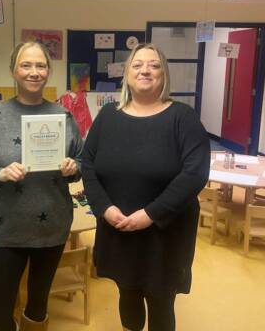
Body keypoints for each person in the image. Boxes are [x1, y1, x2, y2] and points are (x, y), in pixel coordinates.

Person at [82, 43, 210, 331]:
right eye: (137, 64)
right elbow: (87, 165)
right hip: (118, 228)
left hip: (165, 234)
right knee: (126, 291)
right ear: (127, 74)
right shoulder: (108, 116)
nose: (145, 70)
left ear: (164, 75)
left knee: (161, 299)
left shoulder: (182, 117)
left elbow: (195, 173)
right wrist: (104, 208)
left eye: (154, 65)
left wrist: (151, 214)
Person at [0, 41, 83, 331]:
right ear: (13, 71)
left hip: (52, 226)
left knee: (38, 304)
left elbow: (83, 161)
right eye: (26, 65)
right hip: (7, 227)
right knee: (0, 309)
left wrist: (74, 168)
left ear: (48, 71)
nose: (34, 72)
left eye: (41, 65)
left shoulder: (63, 116)